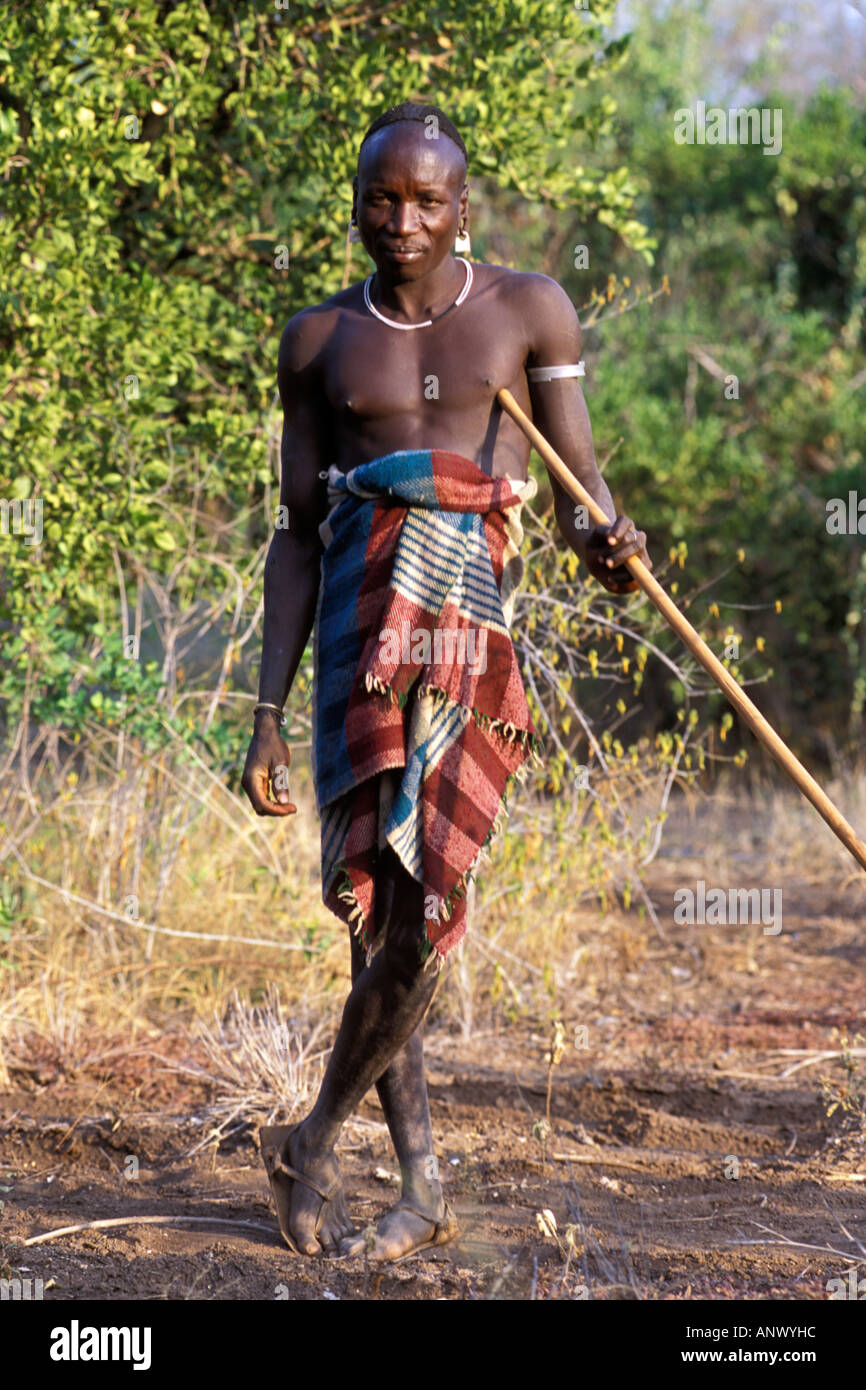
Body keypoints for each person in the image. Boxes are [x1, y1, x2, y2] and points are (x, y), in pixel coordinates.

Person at [241, 101, 652, 1262]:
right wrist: (264, 714)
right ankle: (420, 1184)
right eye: (383, 198)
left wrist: (617, 553)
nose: (403, 221)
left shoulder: (525, 311)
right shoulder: (319, 340)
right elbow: (296, 535)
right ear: (357, 201)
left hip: (464, 645)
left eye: (428, 200)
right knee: (376, 911)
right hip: (354, 636)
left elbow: (585, 506)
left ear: (462, 205)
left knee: (425, 916)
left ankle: (310, 1137)